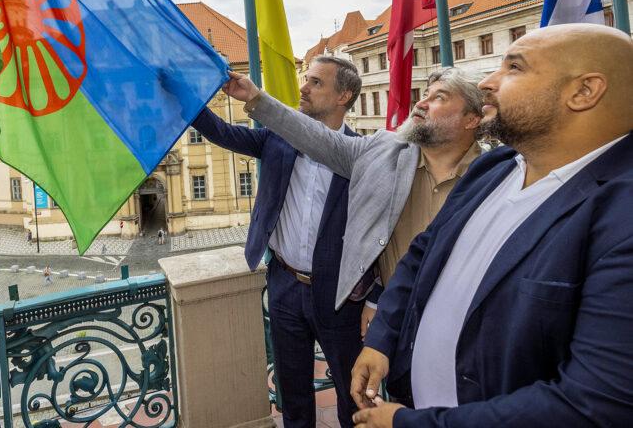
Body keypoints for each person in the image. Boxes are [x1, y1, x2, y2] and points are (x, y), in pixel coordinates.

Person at [350, 24, 633, 427]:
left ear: (584, 91)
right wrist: (381, 340)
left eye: (513, 68)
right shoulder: (495, 166)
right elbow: (422, 254)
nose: (487, 82)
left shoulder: (621, 212)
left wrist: (408, 424)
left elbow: (593, 405)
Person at [224, 66, 484, 336]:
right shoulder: (383, 151)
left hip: (464, 325)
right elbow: (316, 137)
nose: (421, 103)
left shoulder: (496, 177)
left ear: (472, 119)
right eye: (425, 94)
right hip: (398, 321)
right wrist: (256, 98)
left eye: (439, 98)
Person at [192, 55, 371, 428]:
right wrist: (188, 98)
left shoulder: (363, 156)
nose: (303, 88)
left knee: (349, 390)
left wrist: (372, 298)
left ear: (344, 96)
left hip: (339, 294)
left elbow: (378, 232)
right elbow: (224, 133)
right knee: (292, 391)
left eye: (316, 83)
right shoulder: (280, 136)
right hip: (286, 284)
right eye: (306, 80)